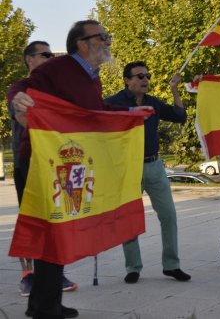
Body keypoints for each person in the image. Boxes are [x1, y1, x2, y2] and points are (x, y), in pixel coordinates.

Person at [11, 19, 151, 319]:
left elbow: (94, 111)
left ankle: (44, 303)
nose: (108, 41)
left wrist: (130, 112)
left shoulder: (92, 76)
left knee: (61, 231)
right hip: (41, 161)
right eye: (102, 36)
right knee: (52, 232)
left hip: (69, 162)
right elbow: (20, 86)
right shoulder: (59, 67)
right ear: (82, 43)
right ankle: (44, 305)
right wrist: (17, 100)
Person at [104, 62, 191, 284]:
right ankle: (133, 267)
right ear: (126, 80)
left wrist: (174, 89)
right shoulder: (113, 103)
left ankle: (172, 265)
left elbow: (180, 116)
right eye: (140, 76)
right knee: (129, 218)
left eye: (147, 76)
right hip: (128, 168)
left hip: (155, 166)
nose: (145, 80)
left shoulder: (153, 102)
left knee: (169, 215)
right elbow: (98, 121)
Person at [7, 41, 80, 298]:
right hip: (27, 164)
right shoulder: (19, 90)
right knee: (30, 219)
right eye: (45, 54)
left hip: (53, 165)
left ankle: (51, 272)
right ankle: (27, 275)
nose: (51, 58)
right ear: (29, 59)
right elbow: (23, 117)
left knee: (54, 219)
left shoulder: (55, 92)